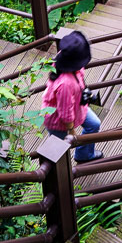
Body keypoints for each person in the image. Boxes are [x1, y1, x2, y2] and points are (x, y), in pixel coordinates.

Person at [41, 30, 103, 163]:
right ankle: (57, 178)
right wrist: (72, 131)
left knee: (94, 124)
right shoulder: (66, 84)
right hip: (58, 121)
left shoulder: (65, 58)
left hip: (77, 107)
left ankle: (83, 154)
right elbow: (64, 113)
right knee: (57, 152)